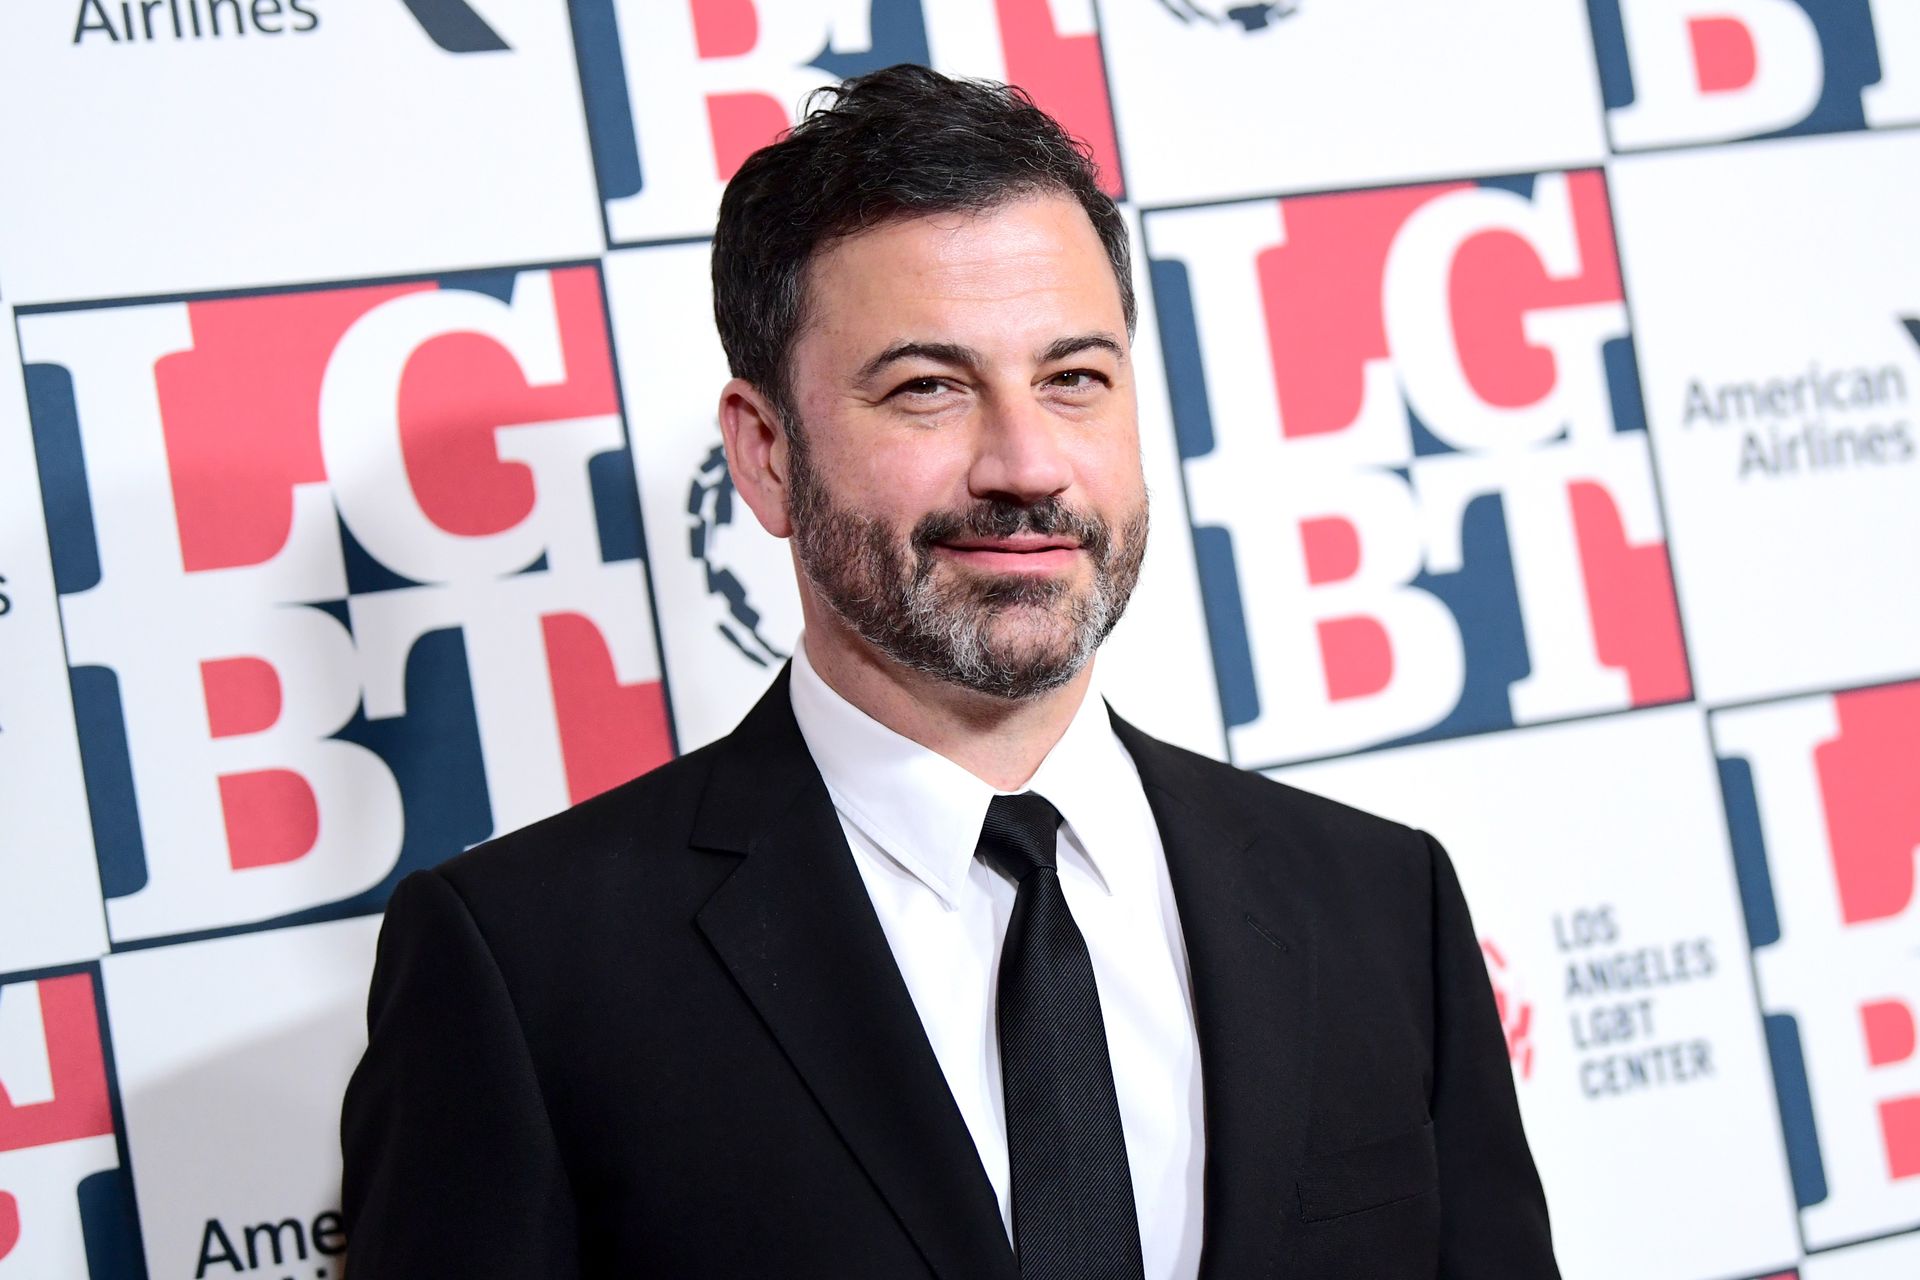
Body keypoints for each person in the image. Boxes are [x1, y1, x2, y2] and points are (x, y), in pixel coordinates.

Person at [339, 64, 1558, 1280]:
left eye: (1074, 379)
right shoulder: (527, 969)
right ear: (765, 455)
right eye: (929, 387)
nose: (1026, 463)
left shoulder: (1381, 901)